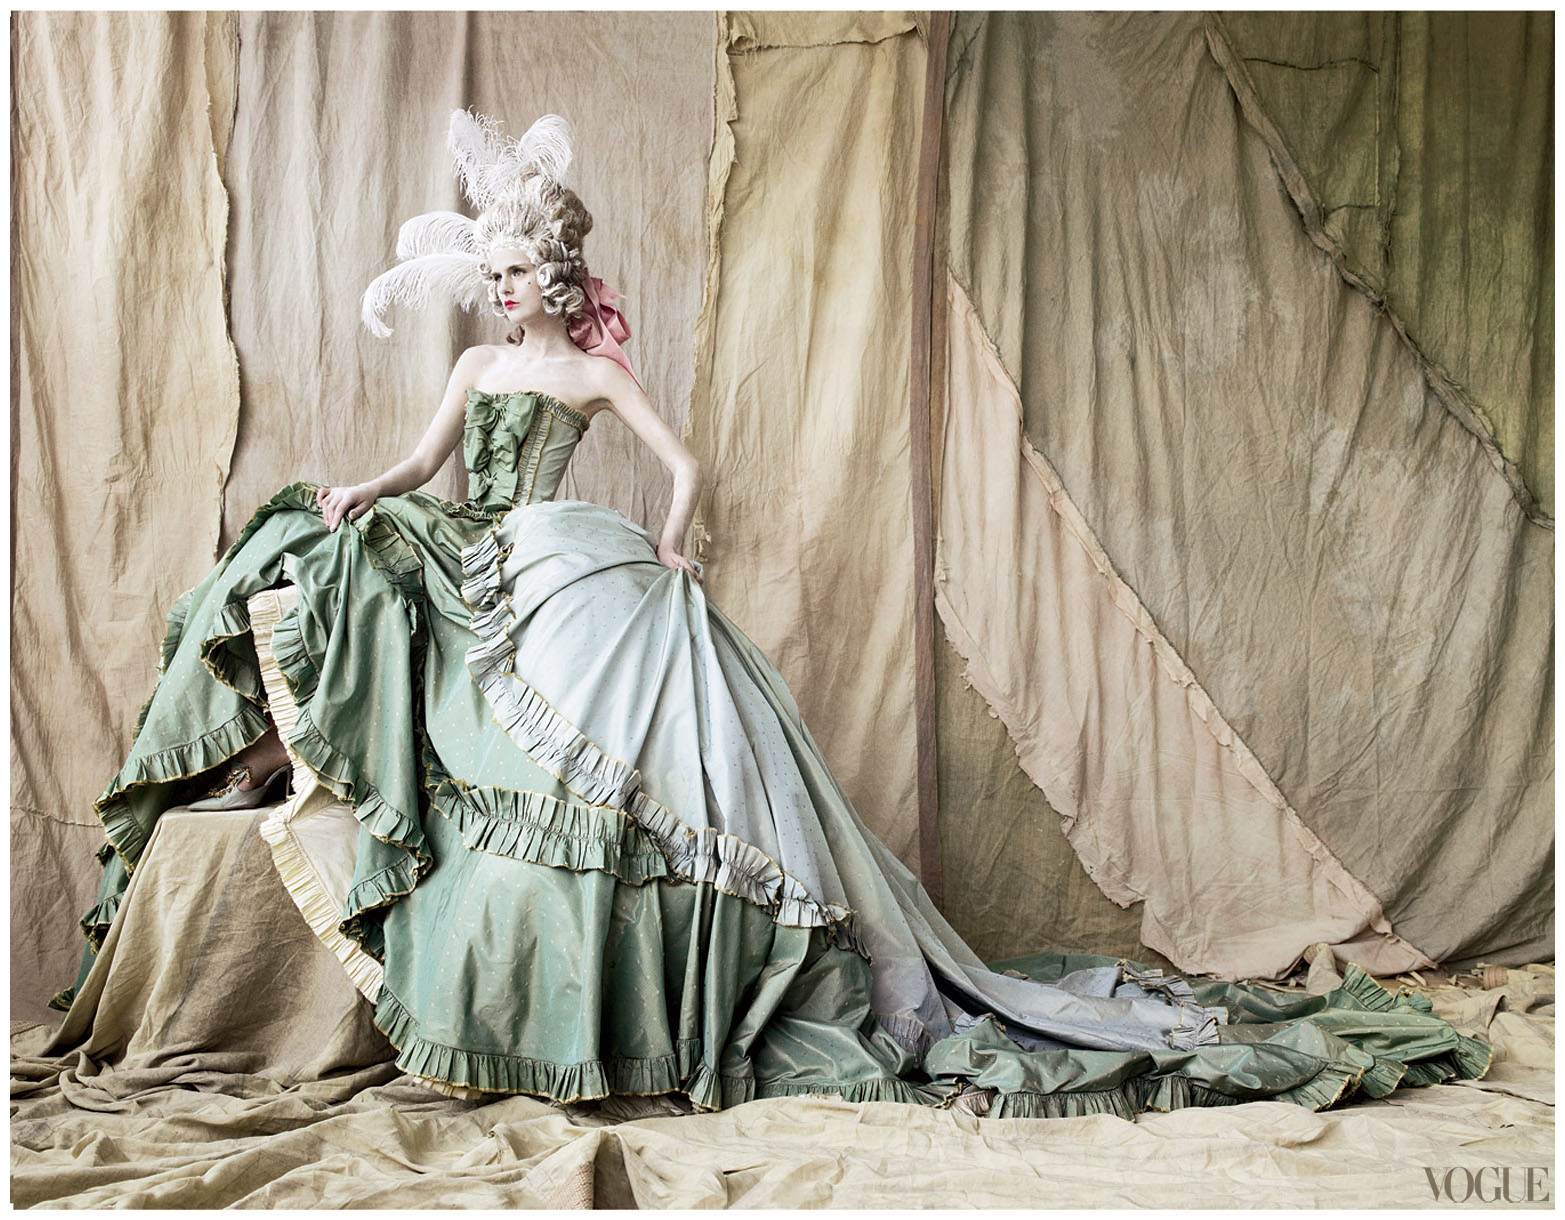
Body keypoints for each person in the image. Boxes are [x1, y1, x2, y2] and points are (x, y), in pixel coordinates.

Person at [56, 110, 1490, 1116]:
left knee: (587, 750)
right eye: (489, 277)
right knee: (312, 541)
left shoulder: (587, 378)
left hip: (567, 551)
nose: (500, 294)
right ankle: (266, 762)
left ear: (557, 279)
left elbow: (682, 465)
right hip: (481, 541)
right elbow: (420, 465)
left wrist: (673, 544)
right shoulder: (482, 371)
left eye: (517, 275)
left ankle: (584, 966)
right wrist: (363, 489)